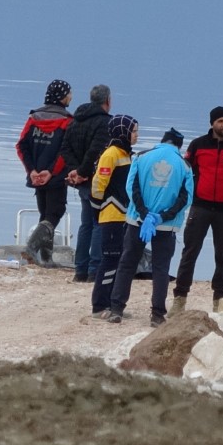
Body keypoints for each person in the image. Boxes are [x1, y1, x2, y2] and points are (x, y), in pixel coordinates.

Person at [109, 128, 193, 326]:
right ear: (178, 145)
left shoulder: (140, 157)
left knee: (127, 263)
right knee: (161, 268)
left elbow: (131, 188)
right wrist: (162, 217)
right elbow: (186, 198)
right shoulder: (184, 165)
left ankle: (116, 309)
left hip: (137, 222)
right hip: (166, 226)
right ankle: (157, 314)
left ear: (162, 141)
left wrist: (144, 214)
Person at [171, 106, 223, 314]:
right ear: (212, 124)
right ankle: (180, 299)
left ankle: (220, 300)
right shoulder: (198, 145)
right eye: (220, 121)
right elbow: (187, 172)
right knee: (189, 253)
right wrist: (196, 193)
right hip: (200, 207)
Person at [15, 79, 73, 265]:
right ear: (62, 97)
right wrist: (51, 172)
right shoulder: (67, 121)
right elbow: (65, 152)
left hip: (36, 176)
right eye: (69, 93)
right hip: (55, 177)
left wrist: (32, 170)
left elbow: (21, 146)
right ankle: (31, 248)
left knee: (45, 215)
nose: (71, 97)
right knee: (55, 213)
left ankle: (46, 258)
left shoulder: (33, 118)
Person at [61, 84, 111, 282]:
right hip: (96, 179)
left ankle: (80, 269)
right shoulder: (105, 122)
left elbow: (65, 148)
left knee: (86, 224)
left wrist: (75, 171)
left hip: (81, 181)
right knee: (98, 223)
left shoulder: (75, 121)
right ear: (107, 101)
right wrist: (82, 172)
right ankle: (94, 269)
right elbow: (96, 151)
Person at [88, 114, 137, 317]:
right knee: (109, 260)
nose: (136, 135)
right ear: (123, 132)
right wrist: (97, 209)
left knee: (118, 261)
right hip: (111, 215)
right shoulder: (111, 154)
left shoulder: (127, 154)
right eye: (133, 131)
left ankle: (111, 303)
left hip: (124, 215)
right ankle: (99, 306)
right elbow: (98, 185)